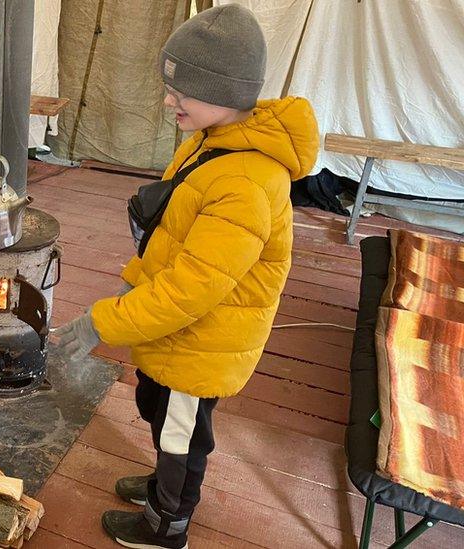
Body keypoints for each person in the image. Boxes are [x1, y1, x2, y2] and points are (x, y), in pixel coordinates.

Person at [52, 5, 319, 548]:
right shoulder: (213, 141)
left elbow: (191, 288)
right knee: (159, 412)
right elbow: (171, 244)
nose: (168, 99)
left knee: (181, 435)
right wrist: (132, 286)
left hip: (202, 340)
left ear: (228, 91)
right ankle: (159, 487)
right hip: (178, 331)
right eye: (168, 85)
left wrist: (103, 322)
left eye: (182, 90)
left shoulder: (243, 182)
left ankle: (166, 523)